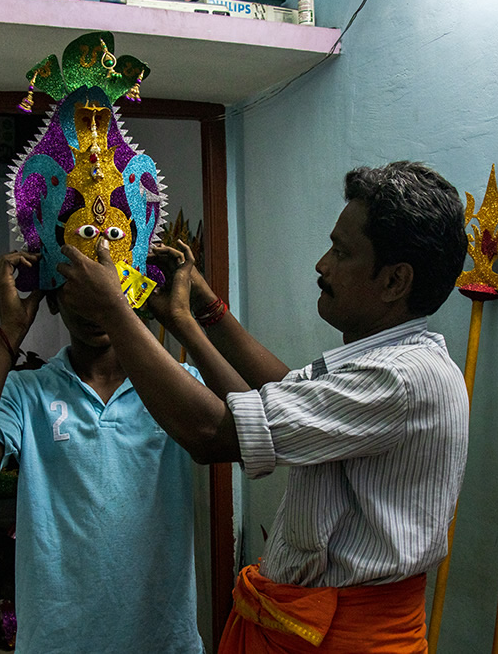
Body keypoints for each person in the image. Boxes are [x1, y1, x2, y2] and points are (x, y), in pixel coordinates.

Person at [56, 161, 470, 653]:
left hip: (347, 635)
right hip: (308, 621)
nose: (322, 265)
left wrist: (114, 312)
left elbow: (215, 434)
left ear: (394, 281)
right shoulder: (384, 363)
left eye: (341, 252)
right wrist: (195, 317)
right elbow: (274, 397)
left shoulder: (401, 377)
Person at [0, 252, 205, 654]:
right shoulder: (28, 393)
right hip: (57, 641)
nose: (95, 307)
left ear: (133, 289)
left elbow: (256, 438)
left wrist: (185, 318)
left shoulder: (182, 388)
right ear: (53, 299)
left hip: (164, 639)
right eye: (79, 289)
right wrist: (11, 331)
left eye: (108, 288)